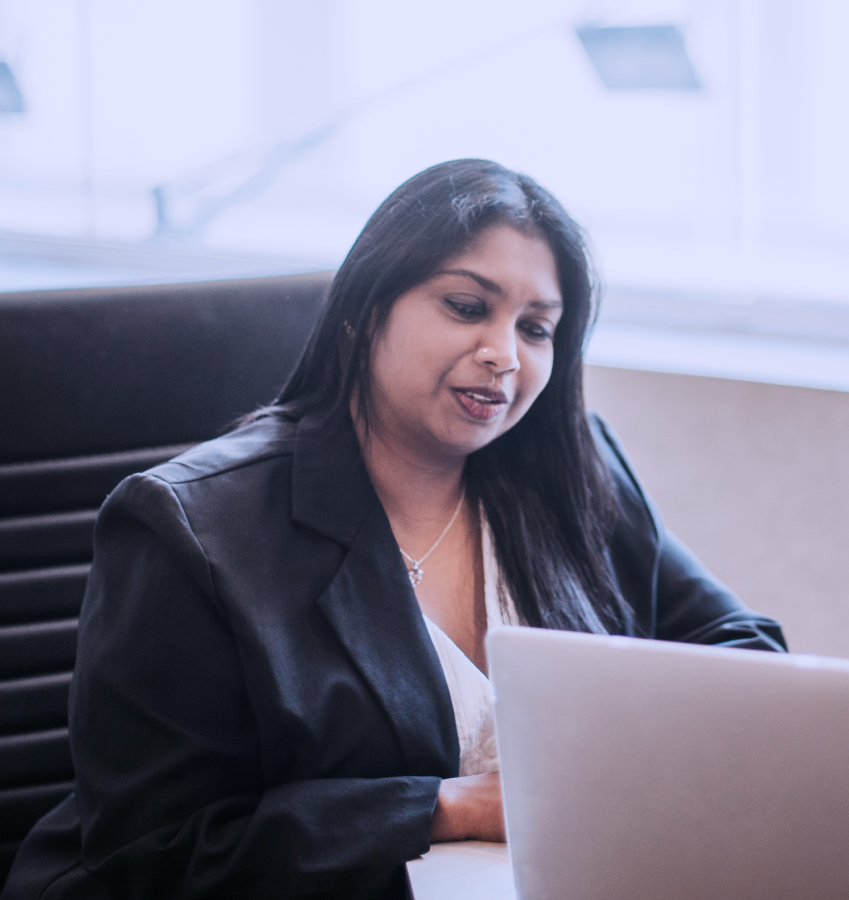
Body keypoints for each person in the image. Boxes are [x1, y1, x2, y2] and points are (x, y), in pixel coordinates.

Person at [2, 159, 785, 900]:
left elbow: (741, 652)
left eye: (537, 328)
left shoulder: (569, 474)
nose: (503, 355)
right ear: (361, 312)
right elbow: (155, 856)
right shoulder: (189, 528)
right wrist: (454, 807)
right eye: (468, 307)